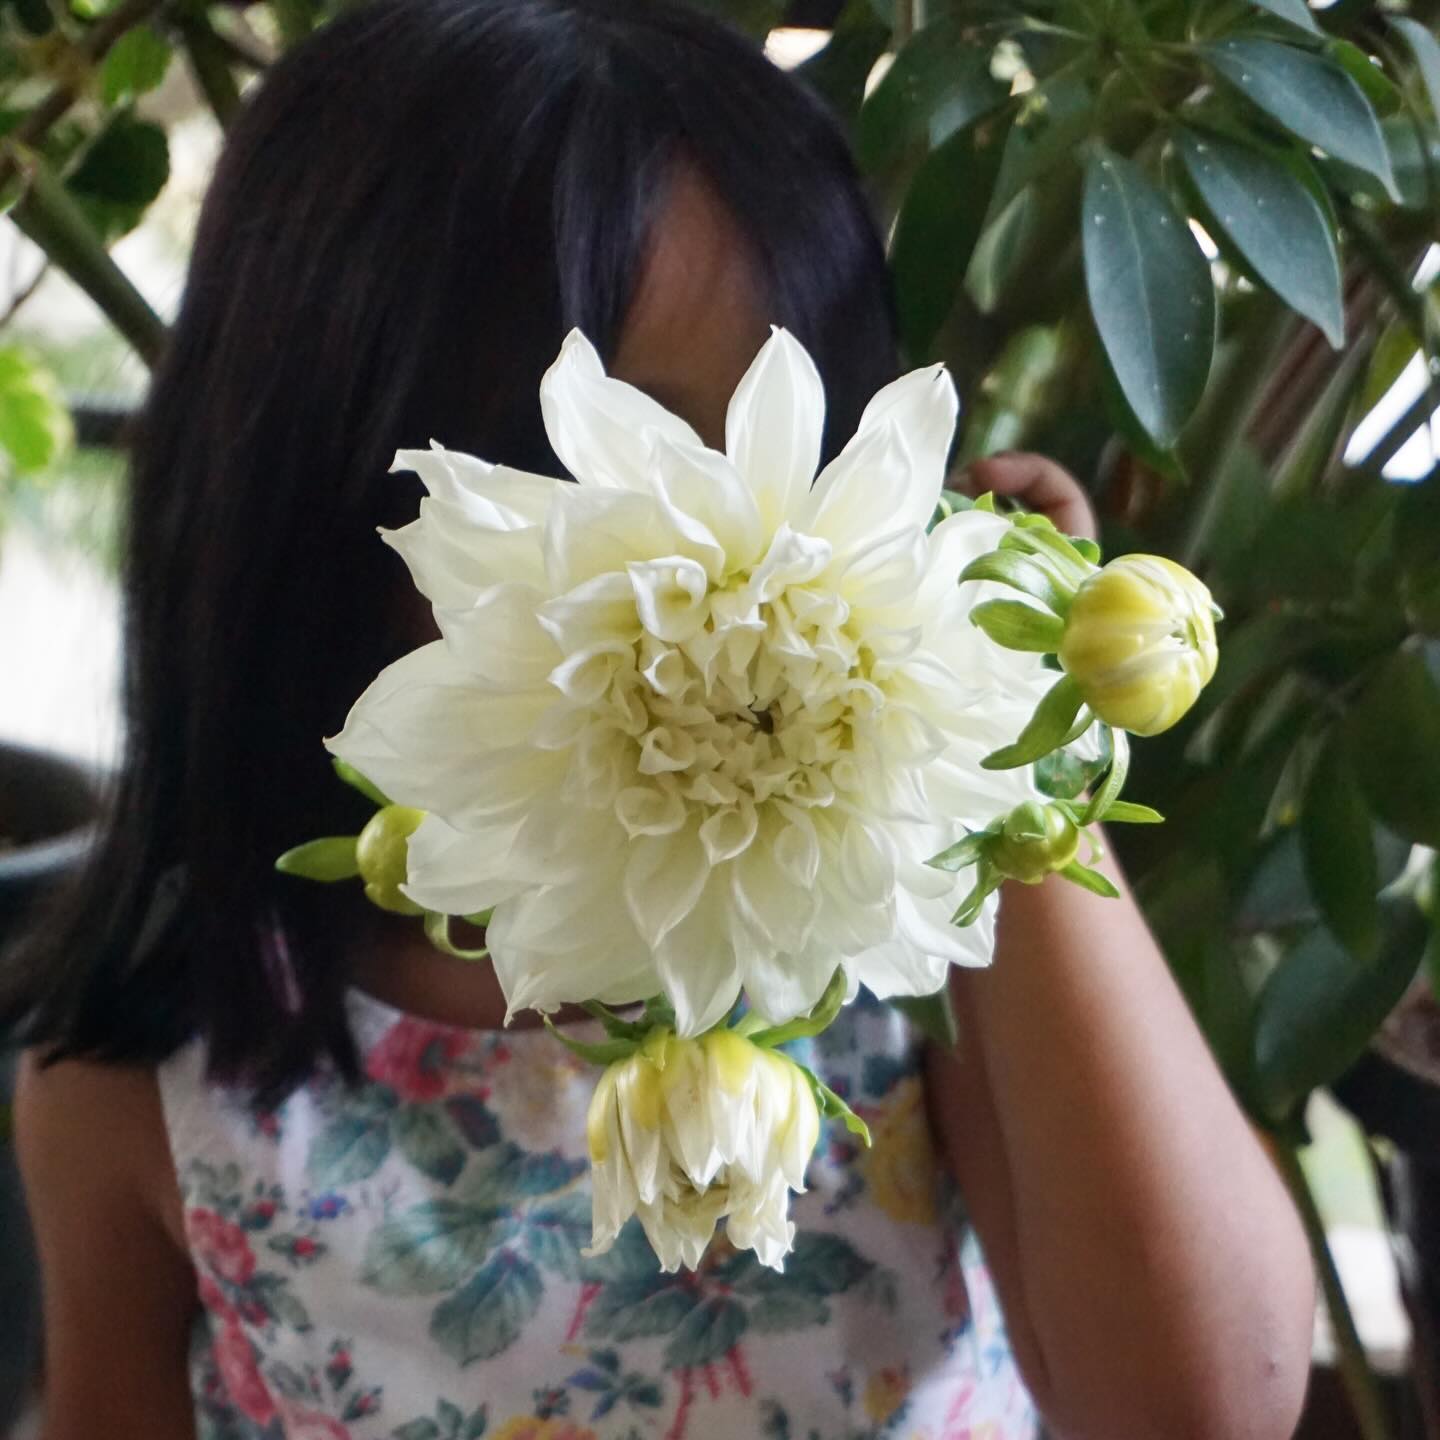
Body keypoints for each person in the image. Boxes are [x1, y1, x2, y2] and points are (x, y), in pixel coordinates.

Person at [5, 1, 1316, 1436]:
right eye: (576, 452)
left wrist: (1011, 729)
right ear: (311, 483)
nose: (694, 534)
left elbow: (1205, 1404)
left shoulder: (901, 960)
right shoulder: (152, 1083)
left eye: (769, 431)